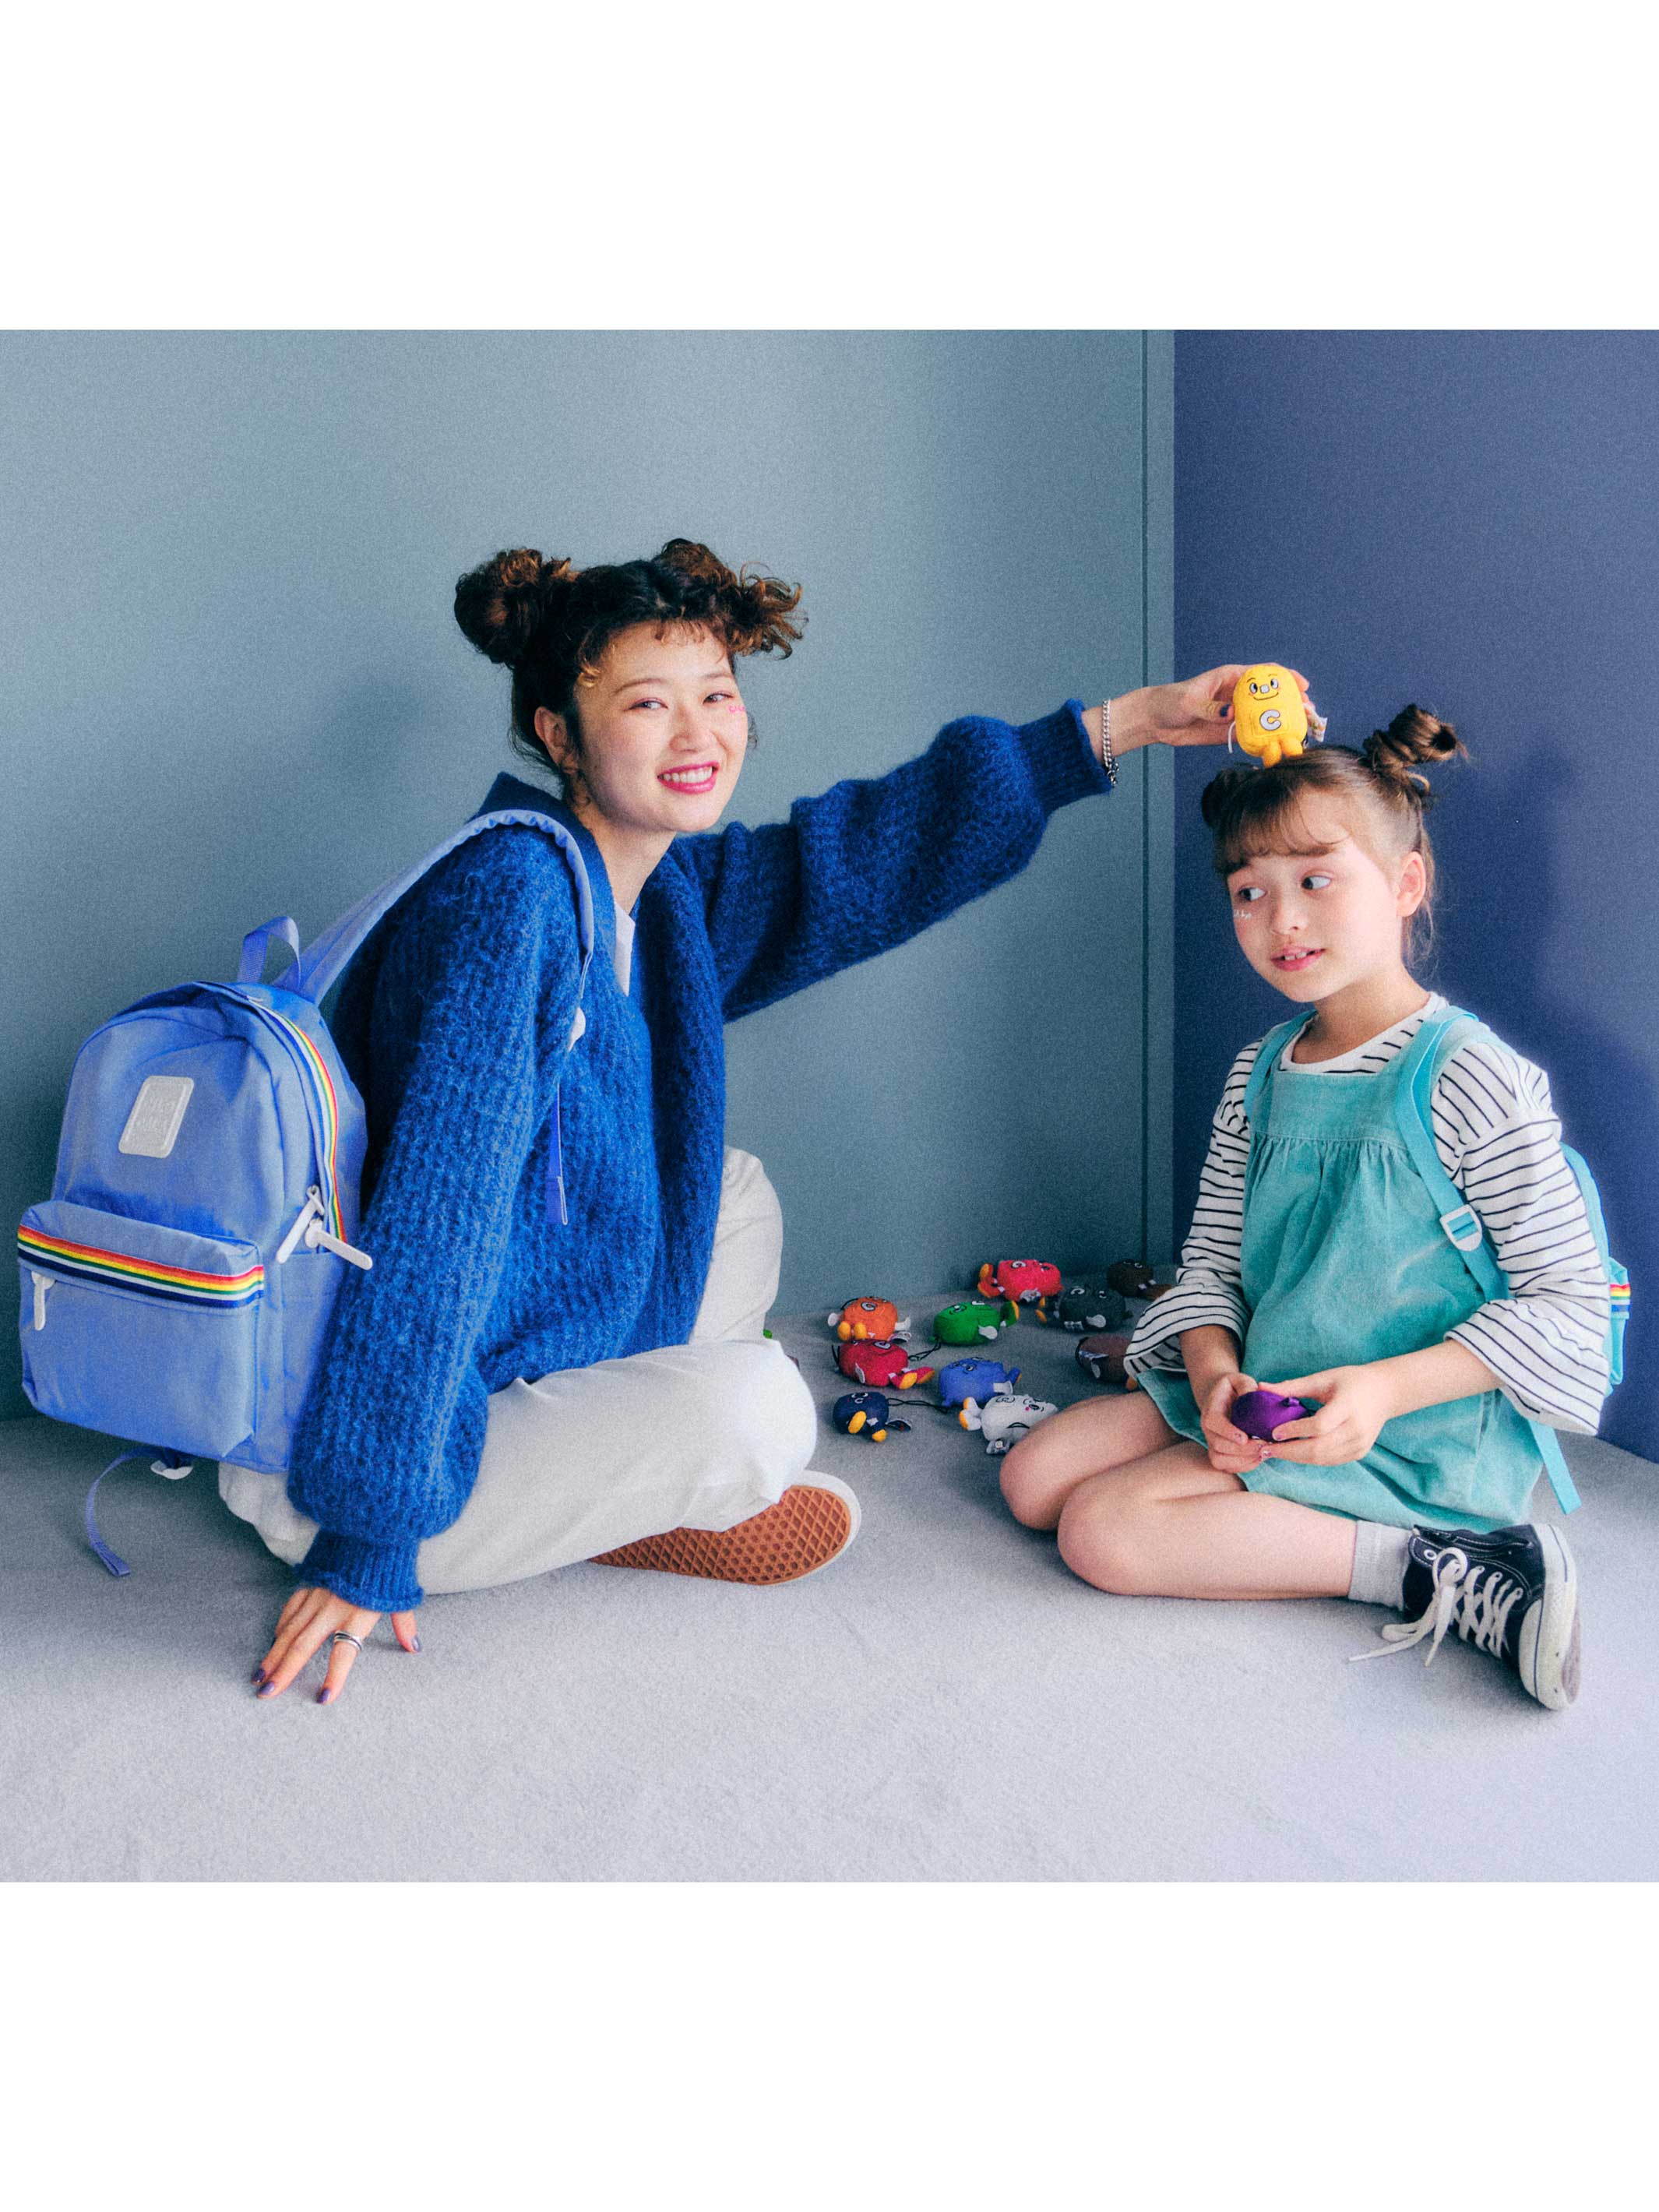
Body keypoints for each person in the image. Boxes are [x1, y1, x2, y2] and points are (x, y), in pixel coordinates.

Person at [225, 535, 1252, 1705]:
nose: (696, 734)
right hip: (352, 1446)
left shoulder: (652, 890)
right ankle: (579, 1491)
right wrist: (366, 1537)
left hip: (500, 1351)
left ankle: (623, 1491)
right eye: (646, 703)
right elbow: (434, 1226)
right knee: (763, 1410)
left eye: (715, 696)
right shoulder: (511, 902)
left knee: (734, 1188)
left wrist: (1127, 725)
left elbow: (860, 863)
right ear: (558, 733)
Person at [999, 707, 1611, 1711]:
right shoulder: (1260, 1072)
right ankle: (1246, 1478)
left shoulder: (1470, 1075)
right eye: (1250, 892)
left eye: (1317, 881)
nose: (1281, 920)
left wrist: (1378, 1392)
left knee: (1102, 1530)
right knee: (1034, 1479)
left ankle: (1439, 1562)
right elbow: (1212, 1266)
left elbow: (1569, 1304)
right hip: (1276, 1386)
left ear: (1405, 885)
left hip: (1410, 1424)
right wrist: (1215, 1378)